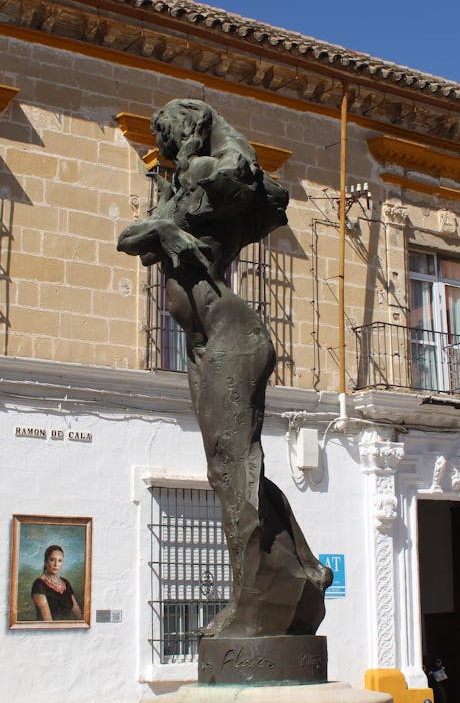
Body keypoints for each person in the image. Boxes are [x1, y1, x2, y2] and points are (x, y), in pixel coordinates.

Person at [117, 99, 330, 638]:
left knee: (235, 468)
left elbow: (237, 173)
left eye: (171, 135)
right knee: (228, 469)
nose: (168, 149)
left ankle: (255, 602)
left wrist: (186, 176)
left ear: (193, 128)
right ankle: (303, 569)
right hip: (203, 345)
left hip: (232, 336)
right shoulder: (184, 193)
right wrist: (165, 231)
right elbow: (130, 238)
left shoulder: (216, 180)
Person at [30, 545, 82, 621]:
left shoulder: (66, 583)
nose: (56, 564)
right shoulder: (39, 584)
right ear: (45, 562)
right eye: (52, 560)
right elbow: (47, 620)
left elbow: (78, 614)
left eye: (59, 561)